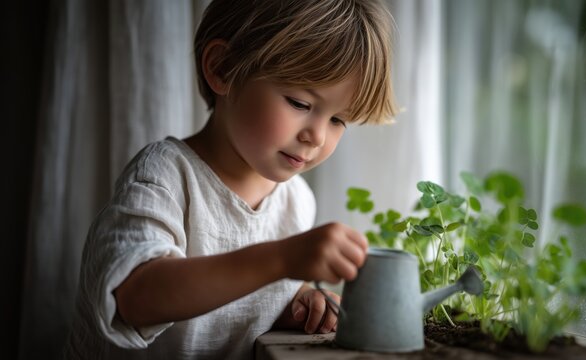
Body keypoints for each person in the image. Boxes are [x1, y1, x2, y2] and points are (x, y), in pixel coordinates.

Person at [64, 0, 396, 358]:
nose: (316, 137)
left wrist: (298, 301)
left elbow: (239, 307)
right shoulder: (166, 175)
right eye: (300, 103)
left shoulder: (297, 200)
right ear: (222, 68)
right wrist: (282, 260)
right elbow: (135, 298)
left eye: (338, 120)